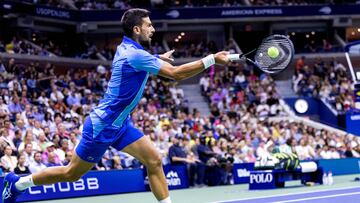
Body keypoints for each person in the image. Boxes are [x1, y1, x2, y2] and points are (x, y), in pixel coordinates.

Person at [2, 8, 230, 203]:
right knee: (71, 174)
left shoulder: (127, 48)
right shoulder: (136, 55)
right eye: (149, 26)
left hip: (120, 124)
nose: (153, 29)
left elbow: (140, 61)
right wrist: (211, 59)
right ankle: (18, 183)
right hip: (102, 125)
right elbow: (175, 74)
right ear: (137, 30)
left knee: (154, 160)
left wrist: (157, 56)